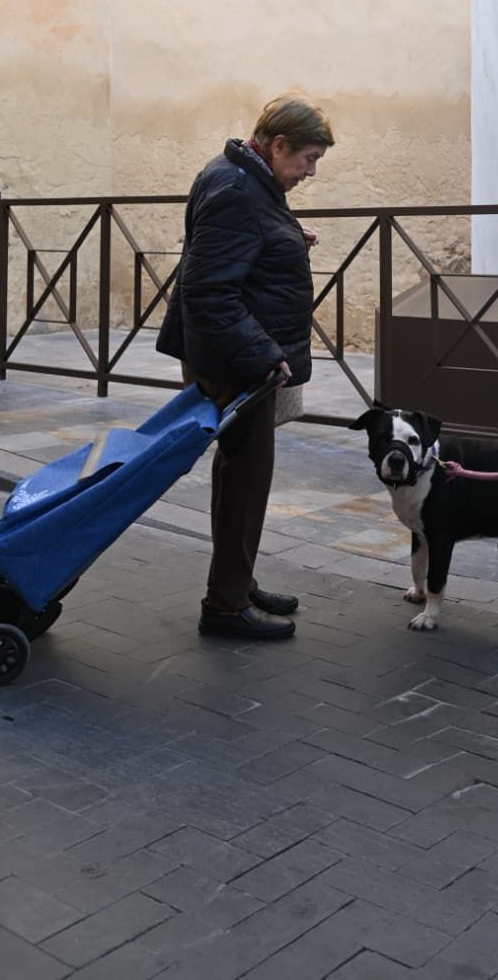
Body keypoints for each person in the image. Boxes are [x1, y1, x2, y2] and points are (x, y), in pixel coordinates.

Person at [157, 94, 334, 640]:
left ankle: (238, 580)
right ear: (277, 145)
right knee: (244, 478)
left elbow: (237, 251)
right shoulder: (237, 187)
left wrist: (287, 238)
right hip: (236, 361)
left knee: (243, 477)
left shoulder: (247, 177)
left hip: (234, 355)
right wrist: (266, 356)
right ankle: (226, 606)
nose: (309, 172)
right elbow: (210, 291)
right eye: (307, 159)